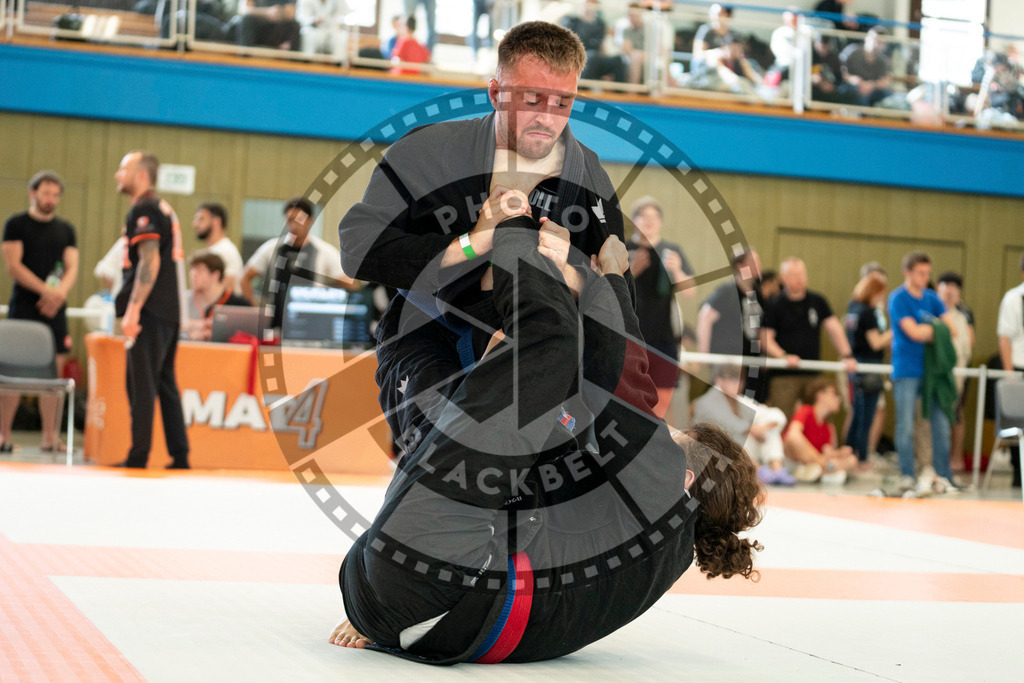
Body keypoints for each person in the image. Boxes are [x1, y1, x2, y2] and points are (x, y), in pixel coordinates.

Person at [330, 222, 765, 661]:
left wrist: (611, 280)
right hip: (403, 602)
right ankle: (421, 313)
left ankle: (512, 227)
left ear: (685, 478)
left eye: (671, 436)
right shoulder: (656, 553)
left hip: (431, 578)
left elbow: (624, 383)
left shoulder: (665, 495)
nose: (659, 431)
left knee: (552, 340)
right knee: (519, 411)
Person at [338, 20, 629, 458]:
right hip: (431, 338)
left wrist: (575, 275)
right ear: (495, 93)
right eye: (531, 100)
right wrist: (471, 243)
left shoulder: (590, 182)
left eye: (563, 103)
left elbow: (617, 303)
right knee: (442, 475)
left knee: (545, 491)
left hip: (536, 355)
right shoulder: (428, 153)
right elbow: (358, 249)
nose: (547, 119)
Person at [113, 151, 190, 470]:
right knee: (163, 383)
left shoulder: (145, 208)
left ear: (141, 174)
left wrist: (132, 310)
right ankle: (179, 455)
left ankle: (138, 455)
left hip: (151, 310)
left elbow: (150, 261)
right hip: (168, 310)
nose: (117, 175)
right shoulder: (161, 207)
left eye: (123, 168)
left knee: (140, 383)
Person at [0, 170, 79, 454]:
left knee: (53, 373)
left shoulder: (66, 229)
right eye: (46, 193)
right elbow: (14, 266)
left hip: (55, 309)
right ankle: (3, 435)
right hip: (25, 305)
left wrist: (58, 294)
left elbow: (72, 267)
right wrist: (44, 291)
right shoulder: (16, 225)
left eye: (56, 195)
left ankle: (49, 437)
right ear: (33, 193)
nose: (51, 199)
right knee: (11, 371)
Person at [888, 251, 959, 494]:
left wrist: (930, 328)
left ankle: (944, 476)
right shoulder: (898, 299)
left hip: (933, 372)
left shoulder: (933, 298)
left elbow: (951, 329)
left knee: (940, 424)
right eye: (920, 273)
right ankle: (907, 473)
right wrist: (935, 329)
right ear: (908, 272)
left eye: (928, 273)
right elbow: (913, 333)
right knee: (905, 424)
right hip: (907, 370)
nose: (925, 277)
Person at [763, 256, 857, 419]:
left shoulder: (818, 301)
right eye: (793, 275)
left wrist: (847, 355)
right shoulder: (774, 304)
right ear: (784, 278)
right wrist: (783, 356)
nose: (799, 279)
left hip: (812, 373)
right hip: (784, 375)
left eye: (802, 274)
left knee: (815, 419)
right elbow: (765, 338)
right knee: (782, 419)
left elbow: (834, 328)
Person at [626, 195, 694, 418]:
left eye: (654, 217)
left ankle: (653, 445)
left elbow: (690, 292)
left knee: (662, 402)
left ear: (661, 222)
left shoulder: (671, 250)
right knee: (627, 396)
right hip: (630, 335)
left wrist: (676, 271)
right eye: (644, 216)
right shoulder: (624, 248)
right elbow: (605, 288)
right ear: (635, 220)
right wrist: (631, 272)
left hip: (663, 338)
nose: (649, 221)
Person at [241, 197, 351, 332]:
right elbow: (245, 277)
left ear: (310, 220)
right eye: (289, 220)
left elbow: (349, 284)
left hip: (313, 325)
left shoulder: (323, 251)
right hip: (277, 325)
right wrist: (255, 310)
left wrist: (326, 296)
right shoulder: (272, 248)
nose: (293, 225)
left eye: (299, 219)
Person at [692, 364, 794, 485]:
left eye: (740, 379)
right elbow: (730, 424)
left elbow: (777, 416)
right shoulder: (707, 401)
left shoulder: (740, 401)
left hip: (737, 452)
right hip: (713, 453)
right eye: (732, 379)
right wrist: (752, 428)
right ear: (719, 380)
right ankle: (758, 471)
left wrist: (762, 428)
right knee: (735, 436)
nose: (738, 384)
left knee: (769, 431)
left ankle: (777, 470)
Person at [695, 249, 765, 401]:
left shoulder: (757, 293)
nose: (758, 265)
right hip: (728, 356)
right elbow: (705, 316)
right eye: (753, 262)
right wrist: (703, 353)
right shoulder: (728, 291)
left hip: (748, 358)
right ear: (740, 266)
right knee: (724, 399)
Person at [843, 270, 891, 465]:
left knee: (857, 414)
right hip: (869, 366)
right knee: (866, 417)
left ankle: (850, 453)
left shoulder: (853, 308)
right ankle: (861, 458)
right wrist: (896, 331)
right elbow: (876, 342)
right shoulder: (868, 312)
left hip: (855, 365)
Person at [783, 376, 858, 484]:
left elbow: (828, 453)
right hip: (794, 460)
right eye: (835, 394)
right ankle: (824, 471)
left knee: (852, 460)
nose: (839, 399)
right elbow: (792, 435)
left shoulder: (828, 427)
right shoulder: (806, 411)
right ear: (820, 395)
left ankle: (817, 472)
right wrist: (822, 461)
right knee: (794, 438)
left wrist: (839, 453)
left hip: (812, 463)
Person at [936, 272, 973, 472]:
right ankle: (931, 461)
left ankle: (955, 458)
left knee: (955, 416)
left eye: (954, 287)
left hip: (956, 376)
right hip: (935, 375)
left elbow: (965, 350)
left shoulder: (963, 316)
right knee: (932, 418)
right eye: (945, 285)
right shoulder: (932, 312)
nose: (950, 290)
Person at [996, 252, 1024, 488]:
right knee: (1018, 422)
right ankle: (1018, 472)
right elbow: (1004, 337)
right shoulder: (1014, 298)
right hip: (1018, 366)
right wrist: (1010, 374)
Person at [184, 251, 251, 342]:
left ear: (215, 275)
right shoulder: (182, 301)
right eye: (192, 270)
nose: (193, 275)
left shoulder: (239, 304)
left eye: (199, 270)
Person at [561, 0, 627, 83]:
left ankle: (619, 93)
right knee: (592, 57)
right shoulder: (572, 21)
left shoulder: (600, 24)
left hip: (596, 57)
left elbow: (602, 46)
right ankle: (584, 89)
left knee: (618, 60)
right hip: (578, 57)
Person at [192, 202, 243, 296]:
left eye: (201, 219)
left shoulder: (226, 251)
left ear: (216, 221)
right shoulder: (214, 250)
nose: (195, 224)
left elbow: (228, 289)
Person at [839, 28, 892, 107]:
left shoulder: (882, 60)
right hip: (852, 87)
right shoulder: (852, 52)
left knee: (887, 94)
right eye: (875, 40)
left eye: (881, 42)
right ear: (867, 38)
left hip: (872, 90)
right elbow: (841, 71)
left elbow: (886, 81)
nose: (876, 44)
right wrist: (852, 79)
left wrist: (872, 85)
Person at [237, 0, 301, 51]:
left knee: (295, 25)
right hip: (256, 28)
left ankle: (293, 62)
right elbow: (244, 9)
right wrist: (267, 12)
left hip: (276, 29)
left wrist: (279, 14)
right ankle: (245, 55)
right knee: (246, 20)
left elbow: (292, 13)